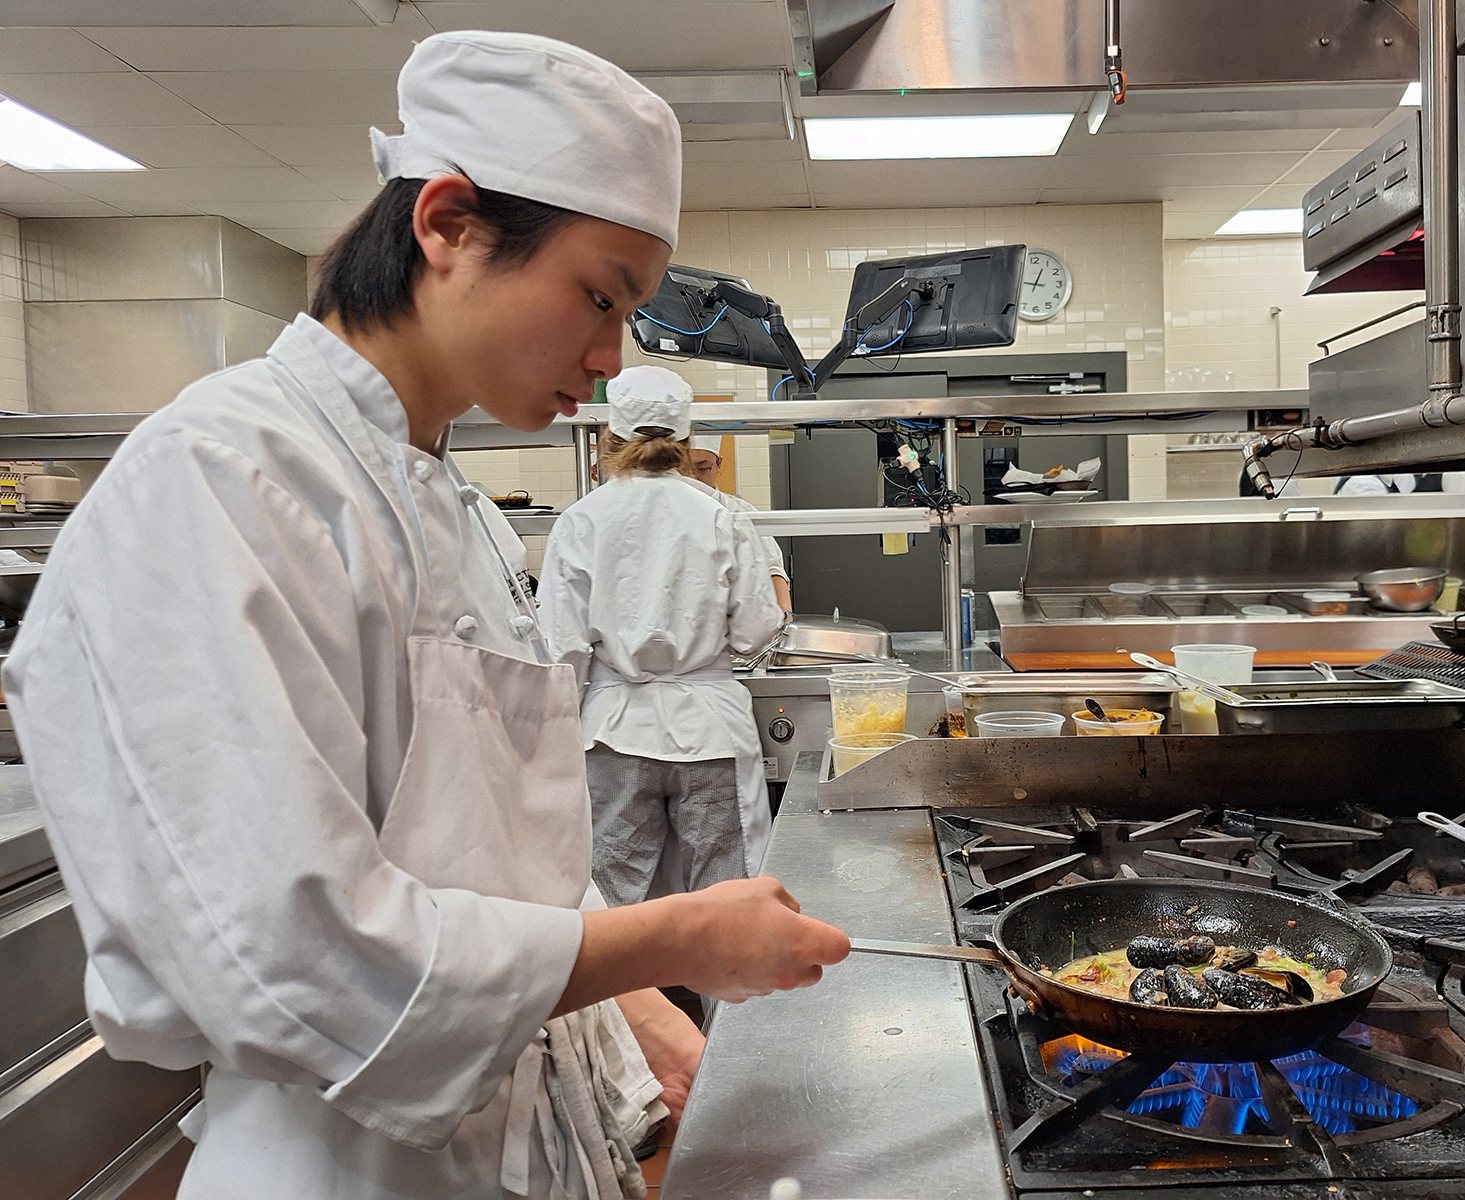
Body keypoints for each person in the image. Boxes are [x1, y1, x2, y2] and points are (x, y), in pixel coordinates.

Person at [2, 31, 847, 1200]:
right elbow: (290, 958)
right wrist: (676, 939)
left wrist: (643, 1012)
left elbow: (509, 859)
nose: (608, 362)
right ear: (446, 223)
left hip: (520, 1142)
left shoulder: (458, 506)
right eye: (599, 297)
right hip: (346, 1166)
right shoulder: (219, 480)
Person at [538, 368, 784, 910]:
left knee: (610, 900)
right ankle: (730, 996)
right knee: (730, 900)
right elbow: (756, 629)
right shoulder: (721, 517)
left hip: (612, 731)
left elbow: (561, 650)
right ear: (686, 441)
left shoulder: (582, 520)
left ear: (610, 441)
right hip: (710, 730)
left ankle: (623, 998)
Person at [686, 433, 793, 616]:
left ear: (718, 464)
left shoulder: (741, 512)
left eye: (702, 468)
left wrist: (786, 619)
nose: (693, 478)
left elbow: (773, 571)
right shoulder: (667, 512)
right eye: (685, 469)